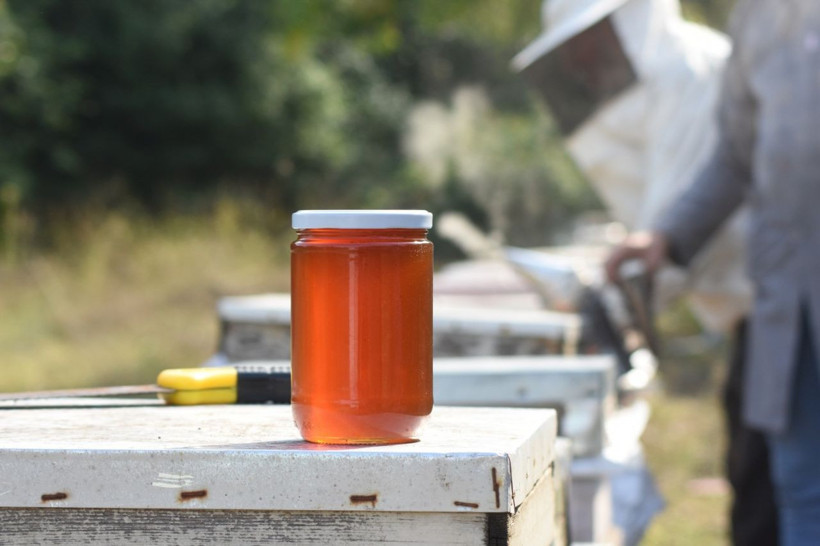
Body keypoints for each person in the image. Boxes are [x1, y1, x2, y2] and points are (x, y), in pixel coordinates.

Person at [513, 0, 779, 544]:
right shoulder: (670, 76)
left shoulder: (686, 72)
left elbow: (675, 223)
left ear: (622, 22)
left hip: (781, 307)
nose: (579, 58)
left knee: (768, 487)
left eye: (585, 38)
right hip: (762, 310)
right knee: (761, 475)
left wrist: (614, 296)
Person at [605, 1, 820, 544]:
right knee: (800, 488)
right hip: (786, 309)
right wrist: (667, 235)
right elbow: (735, 157)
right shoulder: (759, 20)